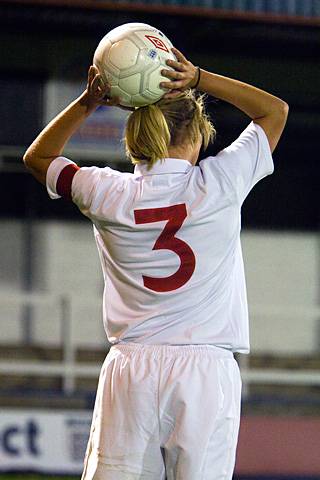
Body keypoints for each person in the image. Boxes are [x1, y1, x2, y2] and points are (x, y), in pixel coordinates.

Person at [23, 46, 288, 480]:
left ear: (135, 138)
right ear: (199, 134)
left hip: (131, 367)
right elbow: (273, 112)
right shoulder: (220, 182)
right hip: (204, 369)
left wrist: (89, 101)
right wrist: (198, 76)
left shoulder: (105, 191)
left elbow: (38, 159)